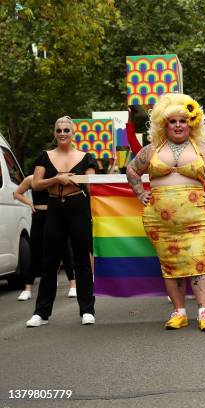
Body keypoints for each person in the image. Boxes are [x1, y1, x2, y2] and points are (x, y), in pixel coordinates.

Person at [126, 93, 205, 331]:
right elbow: (132, 170)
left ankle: (204, 313)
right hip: (159, 221)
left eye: (182, 121)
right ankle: (179, 313)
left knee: (199, 262)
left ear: (191, 124)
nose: (177, 125)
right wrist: (139, 193)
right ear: (164, 124)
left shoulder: (204, 149)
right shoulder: (151, 149)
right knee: (170, 264)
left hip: (199, 218)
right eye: (172, 121)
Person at [26, 116, 97, 327]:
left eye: (66, 130)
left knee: (82, 259)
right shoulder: (44, 157)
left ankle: (87, 310)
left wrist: (83, 180)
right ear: (54, 134)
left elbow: (91, 185)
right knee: (50, 261)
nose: (63, 134)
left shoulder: (86, 157)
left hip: (79, 208)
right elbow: (36, 184)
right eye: (59, 130)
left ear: (73, 133)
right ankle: (41, 313)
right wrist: (57, 179)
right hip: (54, 209)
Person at [13, 175, 77, 301]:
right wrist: (29, 203)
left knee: (64, 249)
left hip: (55, 215)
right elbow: (17, 193)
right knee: (35, 250)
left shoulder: (56, 177)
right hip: (38, 216)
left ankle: (73, 285)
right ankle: (28, 289)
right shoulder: (31, 179)